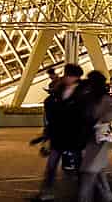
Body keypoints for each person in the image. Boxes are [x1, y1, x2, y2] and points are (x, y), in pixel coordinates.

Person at [36, 64, 86, 201]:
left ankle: (84, 193)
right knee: (51, 165)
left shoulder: (82, 92)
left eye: (68, 75)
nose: (66, 77)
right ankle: (46, 192)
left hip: (74, 134)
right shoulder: (60, 90)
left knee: (78, 165)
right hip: (59, 134)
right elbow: (54, 110)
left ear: (75, 77)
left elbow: (82, 115)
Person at [78, 71, 112, 202]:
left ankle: (91, 197)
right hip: (101, 135)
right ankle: (106, 195)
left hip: (93, 136)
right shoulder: (104, 97)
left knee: (91, 172)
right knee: (96, 169)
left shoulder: (89, 97)